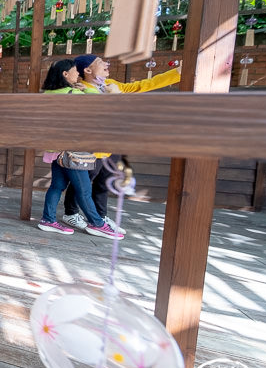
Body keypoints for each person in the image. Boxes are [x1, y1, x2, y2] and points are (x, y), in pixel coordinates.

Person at [61, 54, 181, 233]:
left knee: (105, 182)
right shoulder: (79, 89)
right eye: (101, 63)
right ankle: (70, 213)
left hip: (112, 145)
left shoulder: (112, 85)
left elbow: (142, 85)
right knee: (83, 183)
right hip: (91, 148)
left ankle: (100, 216)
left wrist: (177, 73)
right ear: (87, 70)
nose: (107, 65)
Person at [37, 59, 122, 239]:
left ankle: (48, 219)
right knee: (83, 190)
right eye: (75, 71)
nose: (78, 75)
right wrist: (110, 92)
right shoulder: (74, 93)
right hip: (72, 151)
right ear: (65, 74)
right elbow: (106, 107)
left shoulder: (48, 92)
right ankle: (97, 224)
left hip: (55, 149)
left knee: (57, 185)